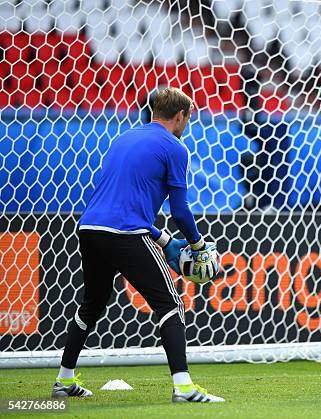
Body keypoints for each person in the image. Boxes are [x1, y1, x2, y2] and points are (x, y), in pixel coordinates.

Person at [52, 87, 224, 403]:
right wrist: (197, 244)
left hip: (89, 227)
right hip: (124, 233)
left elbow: (122, 204)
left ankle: (64, 380)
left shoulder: (123, 139)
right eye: (188, 117)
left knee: (92, 304)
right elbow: (180, 210)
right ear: (180, 116)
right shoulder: (175, 148)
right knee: (170, 304)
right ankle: (184, 388)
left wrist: (165, 240)